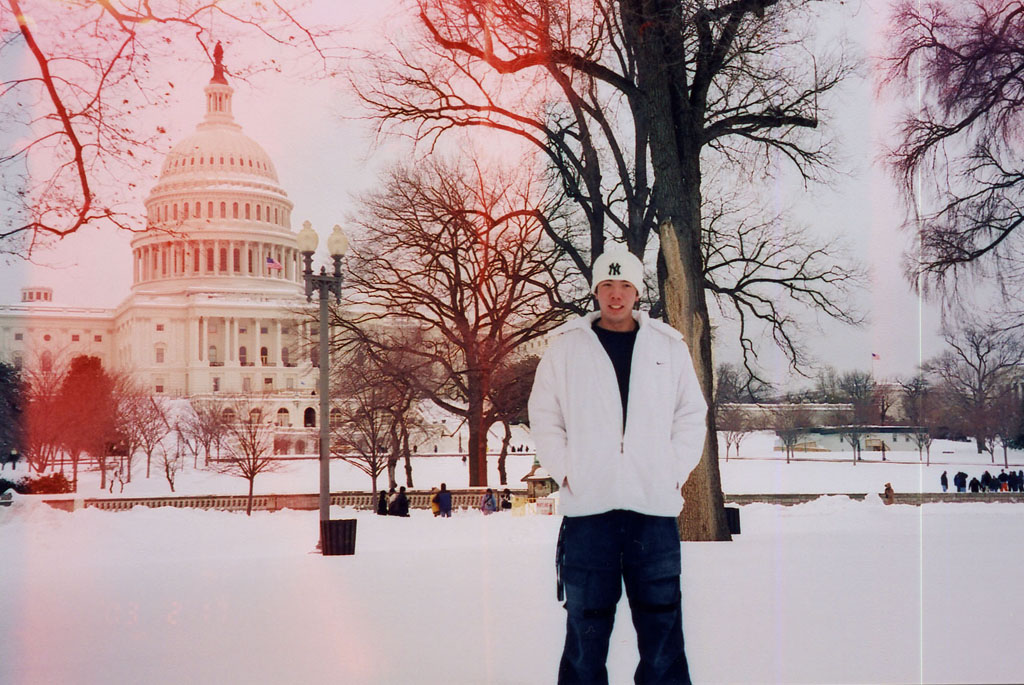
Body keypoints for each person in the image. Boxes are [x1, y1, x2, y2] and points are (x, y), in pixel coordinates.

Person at [529, 247, 707, 685]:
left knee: (663, 632)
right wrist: (569, 471)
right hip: (591, 513)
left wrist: (671, 471)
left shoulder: (669, 347)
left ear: (637, 291)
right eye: (607, 285)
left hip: (653, 511)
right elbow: (545, 415)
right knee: (585, 634)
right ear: (595, 290)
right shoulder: (566, 347)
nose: (615, 294)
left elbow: (691, 414)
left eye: (625, 284)